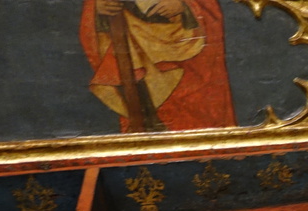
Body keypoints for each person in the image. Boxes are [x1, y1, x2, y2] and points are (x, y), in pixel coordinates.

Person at [80, 0, 235, 133]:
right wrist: (96, 8)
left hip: (184, 49)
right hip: (130, 38)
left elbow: (209, 8)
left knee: (194, 122)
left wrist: (184, 6)